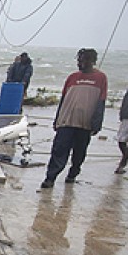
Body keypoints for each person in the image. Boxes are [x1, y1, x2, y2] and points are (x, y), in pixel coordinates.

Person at [40, 48, 107, 189]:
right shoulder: (72, 77)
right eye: (79, 60)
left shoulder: (101, 78)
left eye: (84, 60)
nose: (81, 63)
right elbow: (64, 99)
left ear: (93, 61)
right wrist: (57, 119)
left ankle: (73, 174)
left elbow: (101, 102)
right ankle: (50, 178)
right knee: (59, 150)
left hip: (85, 124)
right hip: (67, 121)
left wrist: (97, 123)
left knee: (79, 152)